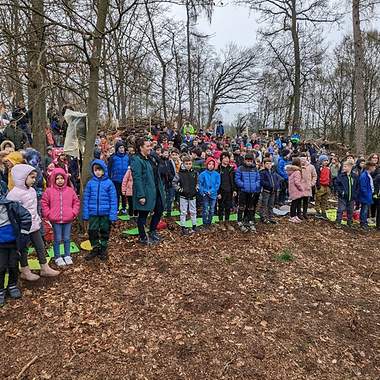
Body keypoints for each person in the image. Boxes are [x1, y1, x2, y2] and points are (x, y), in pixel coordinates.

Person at [7, 164, 59, 279]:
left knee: (40, 246)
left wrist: (38, 220)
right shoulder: (13, 194)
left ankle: (45, 268)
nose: (34, 180)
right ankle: (25, 271)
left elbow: (34, 209)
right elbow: (12, 213)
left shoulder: (32, 191)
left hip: (34, 225)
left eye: (35, 177)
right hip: (23, 228)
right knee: (23, 249)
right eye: (32, 177)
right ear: (22, 177)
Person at [41, 168, 80, 266]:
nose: (60, 180)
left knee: (67, 238)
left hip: (68, 219)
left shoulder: (70, 191)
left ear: (65, 179)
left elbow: (76, 202)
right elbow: (44, 203)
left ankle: (67, 255)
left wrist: (73, 212)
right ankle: (57, 256)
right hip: (55, 220)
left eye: (62, 178)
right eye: (57, 178)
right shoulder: (49, 191)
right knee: (57, 239)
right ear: (53, 179)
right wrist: (48, 214)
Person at [131, 138, 165, 245]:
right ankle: (142, 237)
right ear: (141, 148)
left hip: (156, 189)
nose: (150, 148)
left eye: (150, 146)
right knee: (143, 214)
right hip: (146, 191)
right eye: (147, 146)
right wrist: (141, 195)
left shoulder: (150, 158)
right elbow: (137, 178)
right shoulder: (136, 160)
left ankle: (152, 231)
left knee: (159, 210)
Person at [82, 160, 118, 261]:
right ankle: (95, 247)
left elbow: (113, 200)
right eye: (95, 170)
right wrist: (86, 213)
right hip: (93, 213)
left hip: (105, 213)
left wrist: (112, 215)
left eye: (100, 169)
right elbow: (86, 199)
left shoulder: (109, 183)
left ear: (104, 170)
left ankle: (103, 248)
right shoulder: (90, 184)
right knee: (92, 231)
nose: (98, 172)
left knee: (105, 231)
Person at [0, 193, 32, 306]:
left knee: (13, 265)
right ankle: (0, 290)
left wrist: (23, 233)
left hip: (13, 242)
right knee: (1, 267)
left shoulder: (10, 204)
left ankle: (12, 285)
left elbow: (26, 216)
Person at [235, 153, 261, 232]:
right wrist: (243, 185)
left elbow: (258, 179)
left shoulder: (255, 168)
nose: (249, 162)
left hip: (252, 191)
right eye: (247, 161)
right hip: (243, 191)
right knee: (241, 206)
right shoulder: (240, 168)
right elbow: (237, 179)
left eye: (250, 161)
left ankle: (249, 220)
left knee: (250, 206)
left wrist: (255, 185)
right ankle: (239, 220)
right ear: (245, 160)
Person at [173, 155, 198, 235]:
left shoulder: (194, 173)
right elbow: (174, 182)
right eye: (186, 163)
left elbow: (198, 182)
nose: (188, 165)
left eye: (190, 163)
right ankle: (183, 227)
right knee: (183, 212)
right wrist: (179, 189)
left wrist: (197, 187)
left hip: (192, 195)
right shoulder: (180, 174)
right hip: (183, 196)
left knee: (193, 211)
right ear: (183, 164)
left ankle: (194, 226)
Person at [198, 157, 220, 229]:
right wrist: (203, 192)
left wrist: (211, 191)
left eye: (212, 164)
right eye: (209, 164)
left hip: (213, 194)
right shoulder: (202, 174)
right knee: (205, 209)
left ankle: (209, 223)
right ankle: (205, 223)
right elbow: (200, 184)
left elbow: (217, 184)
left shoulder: (217, 174)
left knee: (212, 209)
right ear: (207, 165)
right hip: (205, 194)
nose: (211, 165)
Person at [108, 141, 129, 214]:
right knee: (116, 195)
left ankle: (124, 208)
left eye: (123, 147)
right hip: (115, 179)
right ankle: (116, 208)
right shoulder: (113, 158)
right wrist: (109, 178)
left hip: (124, 179)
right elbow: (109, 169)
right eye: (120, 148)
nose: (122, 149)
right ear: (117, 149)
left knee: (124, 194)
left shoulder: (127, 157)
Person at [335, 160, 358, 228]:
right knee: (341, 209)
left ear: (350, 167)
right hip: (342, 197)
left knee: (350, 210)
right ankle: (338, 222)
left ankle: (349, 222)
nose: (343, 168)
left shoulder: (354, 176)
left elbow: (357, 186)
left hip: (352, 197)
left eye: (345, 166)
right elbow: (336, 184)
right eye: (343, 166)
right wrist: (341, 192)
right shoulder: (341, 176)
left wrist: (355, 194)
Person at [217, 152, 236, 230]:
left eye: (228, 158)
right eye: (224, 158)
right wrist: (218, 192)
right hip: (221, 191)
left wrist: (234, 190)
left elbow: (233, 180)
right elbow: (216, 182)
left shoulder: (231, 169)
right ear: (221, 159)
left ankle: (227, 222)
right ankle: (221, 222)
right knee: (221, 207)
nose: (226, 159)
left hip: (229, 191)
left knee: (228, 207)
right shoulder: (218, 169)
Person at [259, 158, 279, 224]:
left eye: (270, 163)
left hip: (273, 191)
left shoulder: (273, 172)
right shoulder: (262, 172)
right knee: (264, 204)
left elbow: (276, 180)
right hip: (266, 190)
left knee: (271, 205)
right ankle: (263, 217)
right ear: (264, 164)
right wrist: (269, 185)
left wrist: (276, 186)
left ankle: (271, 217)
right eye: (267, 164)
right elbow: (262, 181)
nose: (268, 165)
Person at [286, 157, 305, 223]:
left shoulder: (292, 171)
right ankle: (292, 216)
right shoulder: (297, 172)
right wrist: (301, 188)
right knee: (295, 203)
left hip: (292, 189)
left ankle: (294, 216)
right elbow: (297, 182)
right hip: (296, 190)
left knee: (295, 203)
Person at [358, 161, 376, 230]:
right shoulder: (364, 176)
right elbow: (363, 187)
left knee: (366, 209)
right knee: (364, 210)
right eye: (374, 167)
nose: (374, 168)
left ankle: (364, 222)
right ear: (370, 167)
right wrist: (367, 195)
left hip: (368, 195)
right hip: (365, 196)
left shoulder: (368, 175)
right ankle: (363, 223)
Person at [158, 149, 176, 217]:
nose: (166, 154)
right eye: (165, 153)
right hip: (162, 182)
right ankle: (162, 210)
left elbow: (173, 171)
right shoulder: (159, 161)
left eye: (167, 153)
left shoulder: (170, 162)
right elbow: (159, 171)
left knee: (170, 197)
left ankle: (169, 211)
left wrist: (172, 177)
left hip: (170, 182)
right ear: (162, 153)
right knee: (163, 197)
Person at [300, 154, 317, 219]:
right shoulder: (298, 166)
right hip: (300, 186)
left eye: (304, 159)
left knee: (306, 201)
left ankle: (305, 213)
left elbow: (314, 176)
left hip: (308, 186)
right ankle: (299, 213)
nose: (303, 161)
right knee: (299, 200)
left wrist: (312, 183)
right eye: (301, 160)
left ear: (306, 159)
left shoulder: (311, 167)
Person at [315, 155, 332, 220]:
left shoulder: (328, 169)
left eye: (327, 160)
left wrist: (330, 185)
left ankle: (323, 211)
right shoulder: (319, 168)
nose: (326, 162)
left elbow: (330, 177)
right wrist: (318, 185)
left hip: (327, 186)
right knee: (318, 198)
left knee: (324, 200)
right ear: (321, 161)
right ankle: (317, 211)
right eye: (324, 160)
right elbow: (317, 176)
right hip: (321, 185)